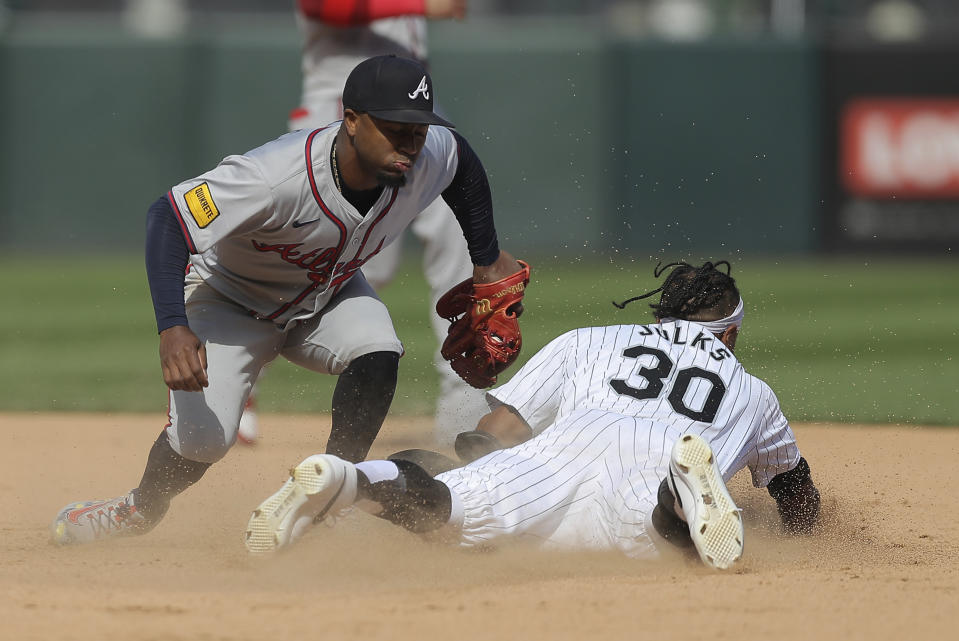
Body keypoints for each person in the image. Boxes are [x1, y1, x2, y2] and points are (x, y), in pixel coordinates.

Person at [49, 54, 530, 546]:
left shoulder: (428, 153)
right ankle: (138, 509)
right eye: (393, 129)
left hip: (327, 296)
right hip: (229, 302)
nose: (409, 145)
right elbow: (168, 217)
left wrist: (486, 258)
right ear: (351, 120)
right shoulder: (273, 176)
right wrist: (173, 326)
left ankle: (333, 494)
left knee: (378, 351)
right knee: (203, 442)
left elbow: (461, 160)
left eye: (417, 131)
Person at [243, 261, 821, 569]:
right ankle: (678, 498)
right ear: (731, 329)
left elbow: (493, 436)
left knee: (456, 508)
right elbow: (797, 496)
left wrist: (459, 468)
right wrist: (798, 534)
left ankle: (352, 479)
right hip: (664, 452)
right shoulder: (753, 391)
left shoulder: (591, 338)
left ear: (659, 313)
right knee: (658, 537)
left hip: (570, 441)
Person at [237, 0, 486, 448]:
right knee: (341, 268)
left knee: (457, 233)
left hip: (414, 117)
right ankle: (240, 367)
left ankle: (463, 408)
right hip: (344, 118)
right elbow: (323, 6)